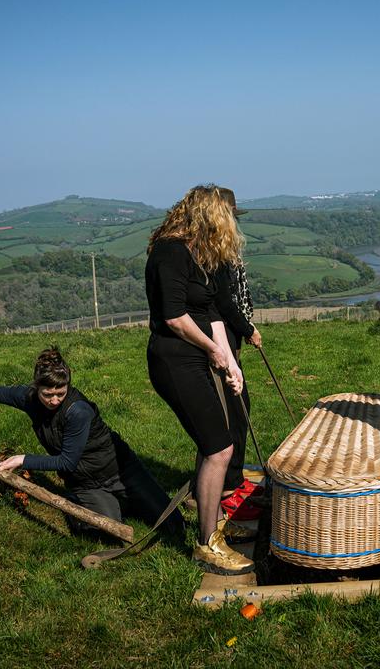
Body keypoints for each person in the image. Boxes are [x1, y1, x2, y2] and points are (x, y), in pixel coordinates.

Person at [0, 347, 182, 539]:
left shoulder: (78, 411)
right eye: (48, 394)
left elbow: (66, 461)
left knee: (173, 523)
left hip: (121, 470)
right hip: (85, 482)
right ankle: (81, 502)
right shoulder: (28, 398)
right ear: (36, 388)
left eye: (60, 393)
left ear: (68, 387)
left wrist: (24, 459)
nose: (54, 400)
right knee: (106, 531)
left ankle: (126, 499)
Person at [145, 184, 253, 575]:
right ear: (207, 217)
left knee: (217, 440)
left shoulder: (199, 253)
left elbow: (213, 313)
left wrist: (230, 363)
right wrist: (213, 351)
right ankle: (207, 543)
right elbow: (175, 317)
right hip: (174, 359)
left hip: (200, 354)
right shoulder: (170, 251)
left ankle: (212, 526)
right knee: (218, 447)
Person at [213, 188, 265, 521]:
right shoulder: (216, 253)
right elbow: (223, 300)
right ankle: (230, 486)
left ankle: (233, 479)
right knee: (233, 409)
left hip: (230, 336)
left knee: (239, 405)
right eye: (230, 215)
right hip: (223, 335)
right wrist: (248, 329)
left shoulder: (223, 246)